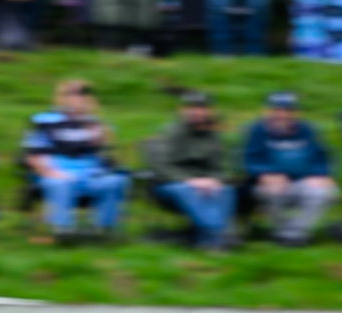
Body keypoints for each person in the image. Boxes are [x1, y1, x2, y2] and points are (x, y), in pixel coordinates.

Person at [23, 80, 129, 242]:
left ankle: (104, 229)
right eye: (71, 94)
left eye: (83, 94)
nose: (77, 98)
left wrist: (90, 119)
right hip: (56, 172)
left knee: (116, 181)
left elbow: (105, 146)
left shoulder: (94, 122)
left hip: (90, 175)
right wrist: (52, 173)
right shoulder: (44, 120)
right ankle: (63, 229)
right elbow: (32, 155)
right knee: (60, 184)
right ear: (60, 97)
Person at [242, 92, 338, 246]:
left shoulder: (308, 130)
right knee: (272, 190)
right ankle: (281, 231)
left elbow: (322, 157)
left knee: (325, 192)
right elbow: (250, 160)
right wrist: (267, 173)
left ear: (296, 112)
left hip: (302, 181)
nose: (282, 115)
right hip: (270, 182)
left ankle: (294, 233)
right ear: (267, 111)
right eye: (277, 110)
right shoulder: (257, 131)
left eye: (287, 110)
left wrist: (321, 175)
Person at [148, 92, 237, 250]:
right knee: (187, 191)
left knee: (226, 190)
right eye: (191, 107)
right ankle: (218, 234)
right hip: (170, 185)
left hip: (205, 184)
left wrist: (214, 180)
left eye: (201, 107)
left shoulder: (213, 136)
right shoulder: (170, 132)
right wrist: (190, 181)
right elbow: (160, 166)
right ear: (182, 110)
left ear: (209, 111)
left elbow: (222, 167)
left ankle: (208, 240)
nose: (196, 112)